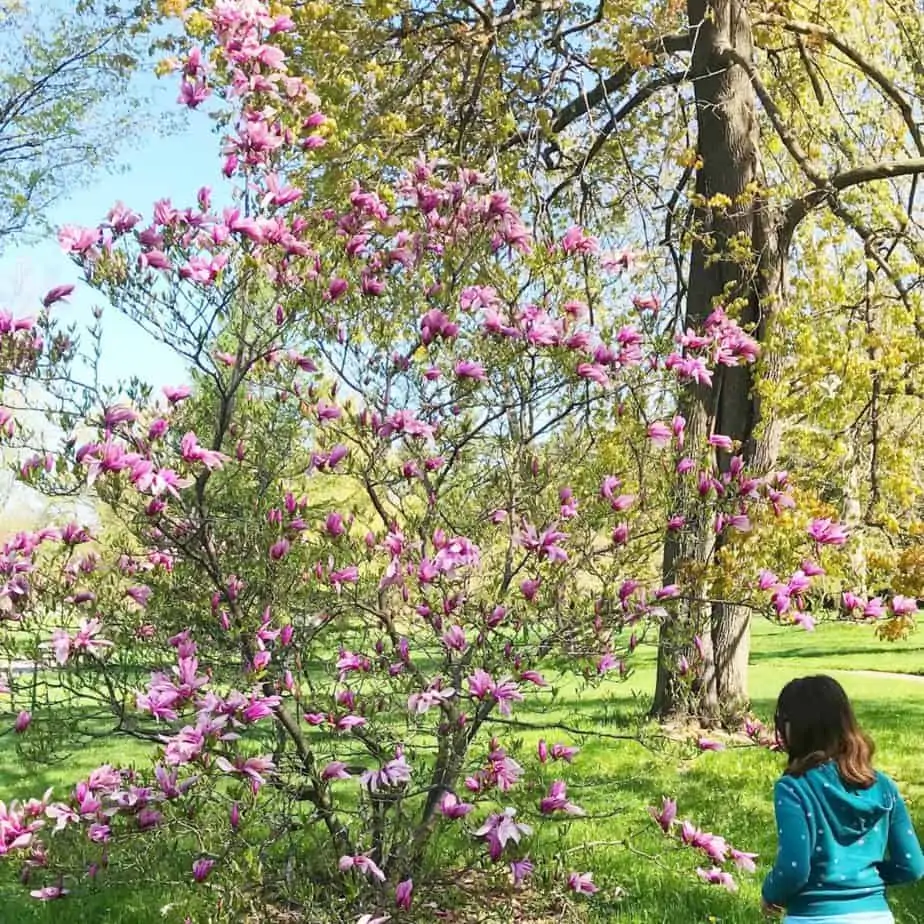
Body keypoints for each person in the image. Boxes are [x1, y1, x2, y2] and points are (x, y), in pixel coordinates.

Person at [762, 675, 924, 923]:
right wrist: (865, 876)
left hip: (813, 916)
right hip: (876, 916)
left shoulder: (794, 788)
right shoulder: (884, 787)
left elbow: (794, 868)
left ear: (794, 727)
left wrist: (770, 892)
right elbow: (912, 866)